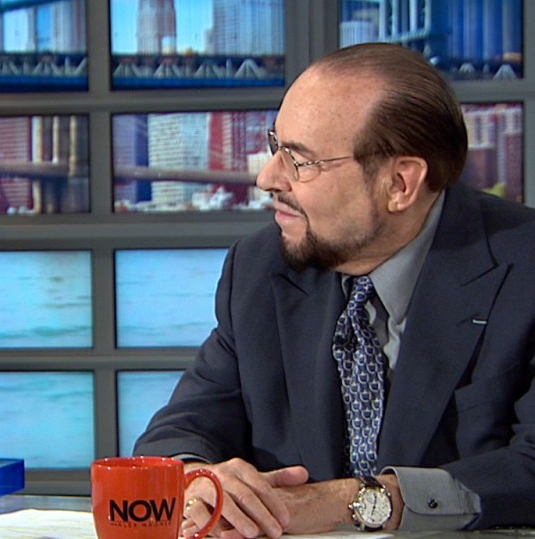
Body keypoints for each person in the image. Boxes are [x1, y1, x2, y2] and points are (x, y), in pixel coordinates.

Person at [134, 42, 535, 537]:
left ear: (400, 184)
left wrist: (349, 502)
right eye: (276, 146)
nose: (266, 177)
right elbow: (179, 430)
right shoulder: (259, 268)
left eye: (300, 161)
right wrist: (200, 478)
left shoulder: (523, 268)